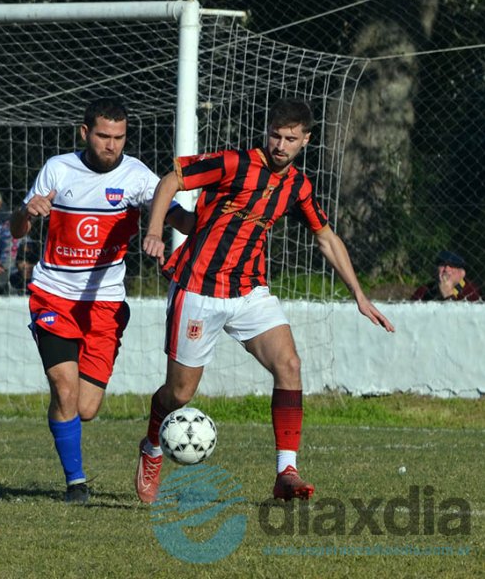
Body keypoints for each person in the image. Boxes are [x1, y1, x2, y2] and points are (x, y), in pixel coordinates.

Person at [136, 98, 395, 504]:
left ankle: (286, 472)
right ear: (266, 131)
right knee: (179, 395)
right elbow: (170, 181)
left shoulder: (298, 187)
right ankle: (153, 443)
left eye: (291, 138)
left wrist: (359, 296)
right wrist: (154, 231)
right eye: (275, 134)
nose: (280, 144)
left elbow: (325, 237)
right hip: (199, 288)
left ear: (305, 140)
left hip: (250, 291)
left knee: (289, 364)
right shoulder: (233, 163)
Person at [9, 98, 195, 504]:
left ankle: (82, 446)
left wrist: (209, 227)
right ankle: (76, 482)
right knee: (64, 388)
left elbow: (179, 216)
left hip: (105, 304)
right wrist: (28, 210)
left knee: (87, 408)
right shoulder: (58, 169)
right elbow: (16, 228)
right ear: (84, 133)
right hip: (53, 295)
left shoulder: (137, 177)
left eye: (119, 137)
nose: (112, 145)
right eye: (103, 136)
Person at [410, 250, 481, 302]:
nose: (446, 270)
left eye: (452, 266)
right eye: (442, 265)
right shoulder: (424, 290)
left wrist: (448, 295)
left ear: (461, 273)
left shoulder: (470, 291)